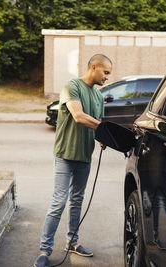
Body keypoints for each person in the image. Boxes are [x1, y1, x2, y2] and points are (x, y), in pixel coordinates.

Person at [33, 54, 112, 267]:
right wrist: (103, 129)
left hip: (84, 157)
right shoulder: (72, 86)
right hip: (65, 155)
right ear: (93, 67)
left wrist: (104, 138)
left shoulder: (99, 97)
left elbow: (98, 125)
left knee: (77, 201)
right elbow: (78, 116)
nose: (107, 78)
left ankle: (73, 242)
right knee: (59, 202)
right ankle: (44, 251)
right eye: (105, 72)